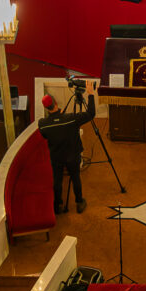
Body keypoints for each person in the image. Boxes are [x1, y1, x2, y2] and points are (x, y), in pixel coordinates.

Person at [38, 81, 96, 213]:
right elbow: (91, 113)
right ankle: (79, 202)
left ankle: (57, 205)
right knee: (75, 177)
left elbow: (45, 135)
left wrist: (58, 117)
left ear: (47, 108)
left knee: (57, 180)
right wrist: (90, 94)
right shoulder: (71, 119)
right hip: (72, 155)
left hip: (57, 157)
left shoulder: (42, 124)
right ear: (56, 104)